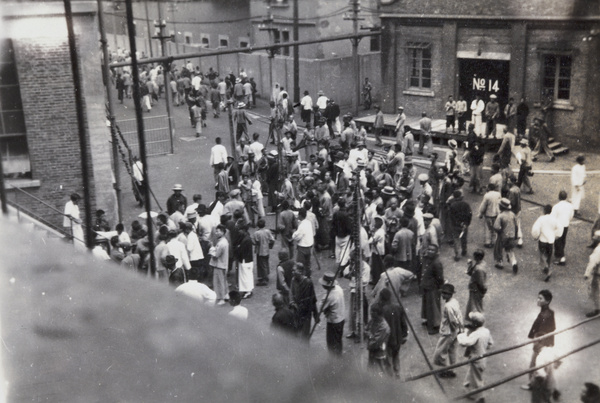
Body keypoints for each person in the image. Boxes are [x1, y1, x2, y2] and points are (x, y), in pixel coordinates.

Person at [522, 290, 556, 393]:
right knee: (540, 364)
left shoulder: (544, 315)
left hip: (541, 343)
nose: (538, 300)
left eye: (540, 298)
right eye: (538, 297)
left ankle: (532, 384)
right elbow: (553, 327)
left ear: (547, 301)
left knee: (534, 364)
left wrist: (537, 342)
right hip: (546, 342)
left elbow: (542, 331)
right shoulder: (550, 312)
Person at [457, 312, 494, 403]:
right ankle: (469, 389)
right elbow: (490, 343)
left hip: (476, 359)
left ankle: (480, 397)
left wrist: (462, 334)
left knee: (477, 379)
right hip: (482, 357)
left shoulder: (476, 334)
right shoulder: (486, 331)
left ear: (474, 323)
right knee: (472, 374)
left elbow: (465, 342)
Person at [433, 283, 464, 378]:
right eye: (443, 293)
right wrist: (460, 329)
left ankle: (445, 370)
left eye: (445, 293)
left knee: (440, 352)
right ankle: (453, 369)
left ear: (450, 294)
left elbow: (453, 320)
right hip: (456, 331)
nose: (443, 295)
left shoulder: (448, 306)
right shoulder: (455, 301)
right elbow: (459, 316)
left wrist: (454, 329)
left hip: (448, 332)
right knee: (452, 350)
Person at [290, 262, 319, 341]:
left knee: (305, 336)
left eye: (294, 271)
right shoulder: (293, 280)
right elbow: (291, 293)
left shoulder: (308, 282)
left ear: (300, 271)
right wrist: (292, 303)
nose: (292, 272)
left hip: (306, 313)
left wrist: (315, 314)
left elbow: (313, 299)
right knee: (296, 334)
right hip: (296, 311)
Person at [531, 205, 561, 282]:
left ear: (544, 211)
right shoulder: (554, 219)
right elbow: (560, 228)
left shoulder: (541, 219)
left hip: (542, 240)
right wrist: (556, 236)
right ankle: (547, 267)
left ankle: (547, 269)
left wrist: (535, 236)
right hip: (551, 241)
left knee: (542, 255)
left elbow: (535, 229)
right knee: (549, 256)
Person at [319, 271, 346, 355]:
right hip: (341, 318)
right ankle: (339, 356)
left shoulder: (329, 296)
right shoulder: (338, 288)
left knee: (331, 343)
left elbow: (321, 308)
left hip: (334, 321)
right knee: (338, 340)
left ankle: (334, 362)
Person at [421, 245, 444, 335]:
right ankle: (428, 320)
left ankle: (435, 325)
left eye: (432, 250)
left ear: (436, 252)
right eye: (429, 249)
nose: (430, 251)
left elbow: (439, 277)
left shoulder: (437, 263)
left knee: (433, 307)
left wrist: (439, 288)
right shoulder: (427, 260)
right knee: (427, 305)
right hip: (427, 286)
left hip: (433, 288)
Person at [493, 198, 519, 273]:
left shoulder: (501, 216)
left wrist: (499, 231)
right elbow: (516, 226)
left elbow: (496, 227)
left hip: (503, 236)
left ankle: (499, 262)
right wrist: (516, 236)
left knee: (498, 249)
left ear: (501, 207)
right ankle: (514, 262)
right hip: (512, 235)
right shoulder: (512, 214)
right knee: (510, 250)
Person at [366, 303, 391, 375]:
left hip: (379, 352)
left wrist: (370, 336)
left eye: (372, 312)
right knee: (371, 369)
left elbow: (375, 342)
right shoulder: (373, 320)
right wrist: (370, 335)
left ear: (377, 313)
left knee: (380, 371)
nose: (370, 313)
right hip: (372, 351)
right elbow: (366, 329)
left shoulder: (384, 327)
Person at [551, 190, 574, 266]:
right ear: (566, 197)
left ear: (559, 197)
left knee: (557, 241)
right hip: (566, 225)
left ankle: (561, 257)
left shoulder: (556, 206)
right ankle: (560, 256)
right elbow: (571, 216)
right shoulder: (570, 206)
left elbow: (552, 217)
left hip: (558, 226)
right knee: (563, 240)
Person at [449, 190, 472, 261]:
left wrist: (457, 223)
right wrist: (466, 223)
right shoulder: (466, 204)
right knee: (464, 238)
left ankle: (457, 254)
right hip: (464, 225)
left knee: (456, 239)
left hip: (455, 225)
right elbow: (469, 215)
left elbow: (451, 217)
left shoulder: (452, 205)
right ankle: (464, 250)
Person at [209, 224, 230, 305]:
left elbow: (216, 255)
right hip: (224, 264)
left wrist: (211, 249)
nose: (216, 233)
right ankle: (226, 295)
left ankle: (221, 298)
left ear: (222, 232)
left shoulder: (221, 243)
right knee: (224, 281)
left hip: (219, 265)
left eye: (218, 231)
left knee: (219, 282)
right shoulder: (224, 241)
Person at [252, 218, 275, 286]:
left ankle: (264, 279)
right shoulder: (267, 231)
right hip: (266, 249)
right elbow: (272, 240)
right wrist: (270, 246)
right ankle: (265, 276)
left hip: (260, 250)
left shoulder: (256, 233)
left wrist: (256, 244)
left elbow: (254, 241)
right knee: (265, 263)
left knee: (261, 264)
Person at [466, 249, 488, 316]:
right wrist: (470, 265)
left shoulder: (479, 269)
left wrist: (483, 291)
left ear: (477, 257)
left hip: (476, 289)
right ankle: (474, 320)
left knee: (477, 307)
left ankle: (479, 321)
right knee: (474, 305)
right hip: (476, 288)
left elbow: (481, 282)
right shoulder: (482, 263)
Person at [478, 184, 501, 248]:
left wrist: (480, 213)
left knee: (488, 228)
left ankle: (487, 242)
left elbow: (483, 206)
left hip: (488, 214)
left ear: (489, 188)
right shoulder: (498, 194)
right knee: (495, 228)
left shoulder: (487, 195)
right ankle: (494, 241)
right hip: (496, 214)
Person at [292, 208, 315, 273]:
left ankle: (300, 277)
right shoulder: (308, 222)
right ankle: (308, 276)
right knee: (307, 264)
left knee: (300, 264)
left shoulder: (302, 225)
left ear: (300, 215)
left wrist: (293, 233)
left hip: (303, 247)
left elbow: (297, 237)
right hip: (309, 245)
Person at [584, 244, 600, 318]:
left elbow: (592, 262)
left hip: (598, 274)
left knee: (596, 291)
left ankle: (597, 310)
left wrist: (587, 273)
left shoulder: (598, 249)